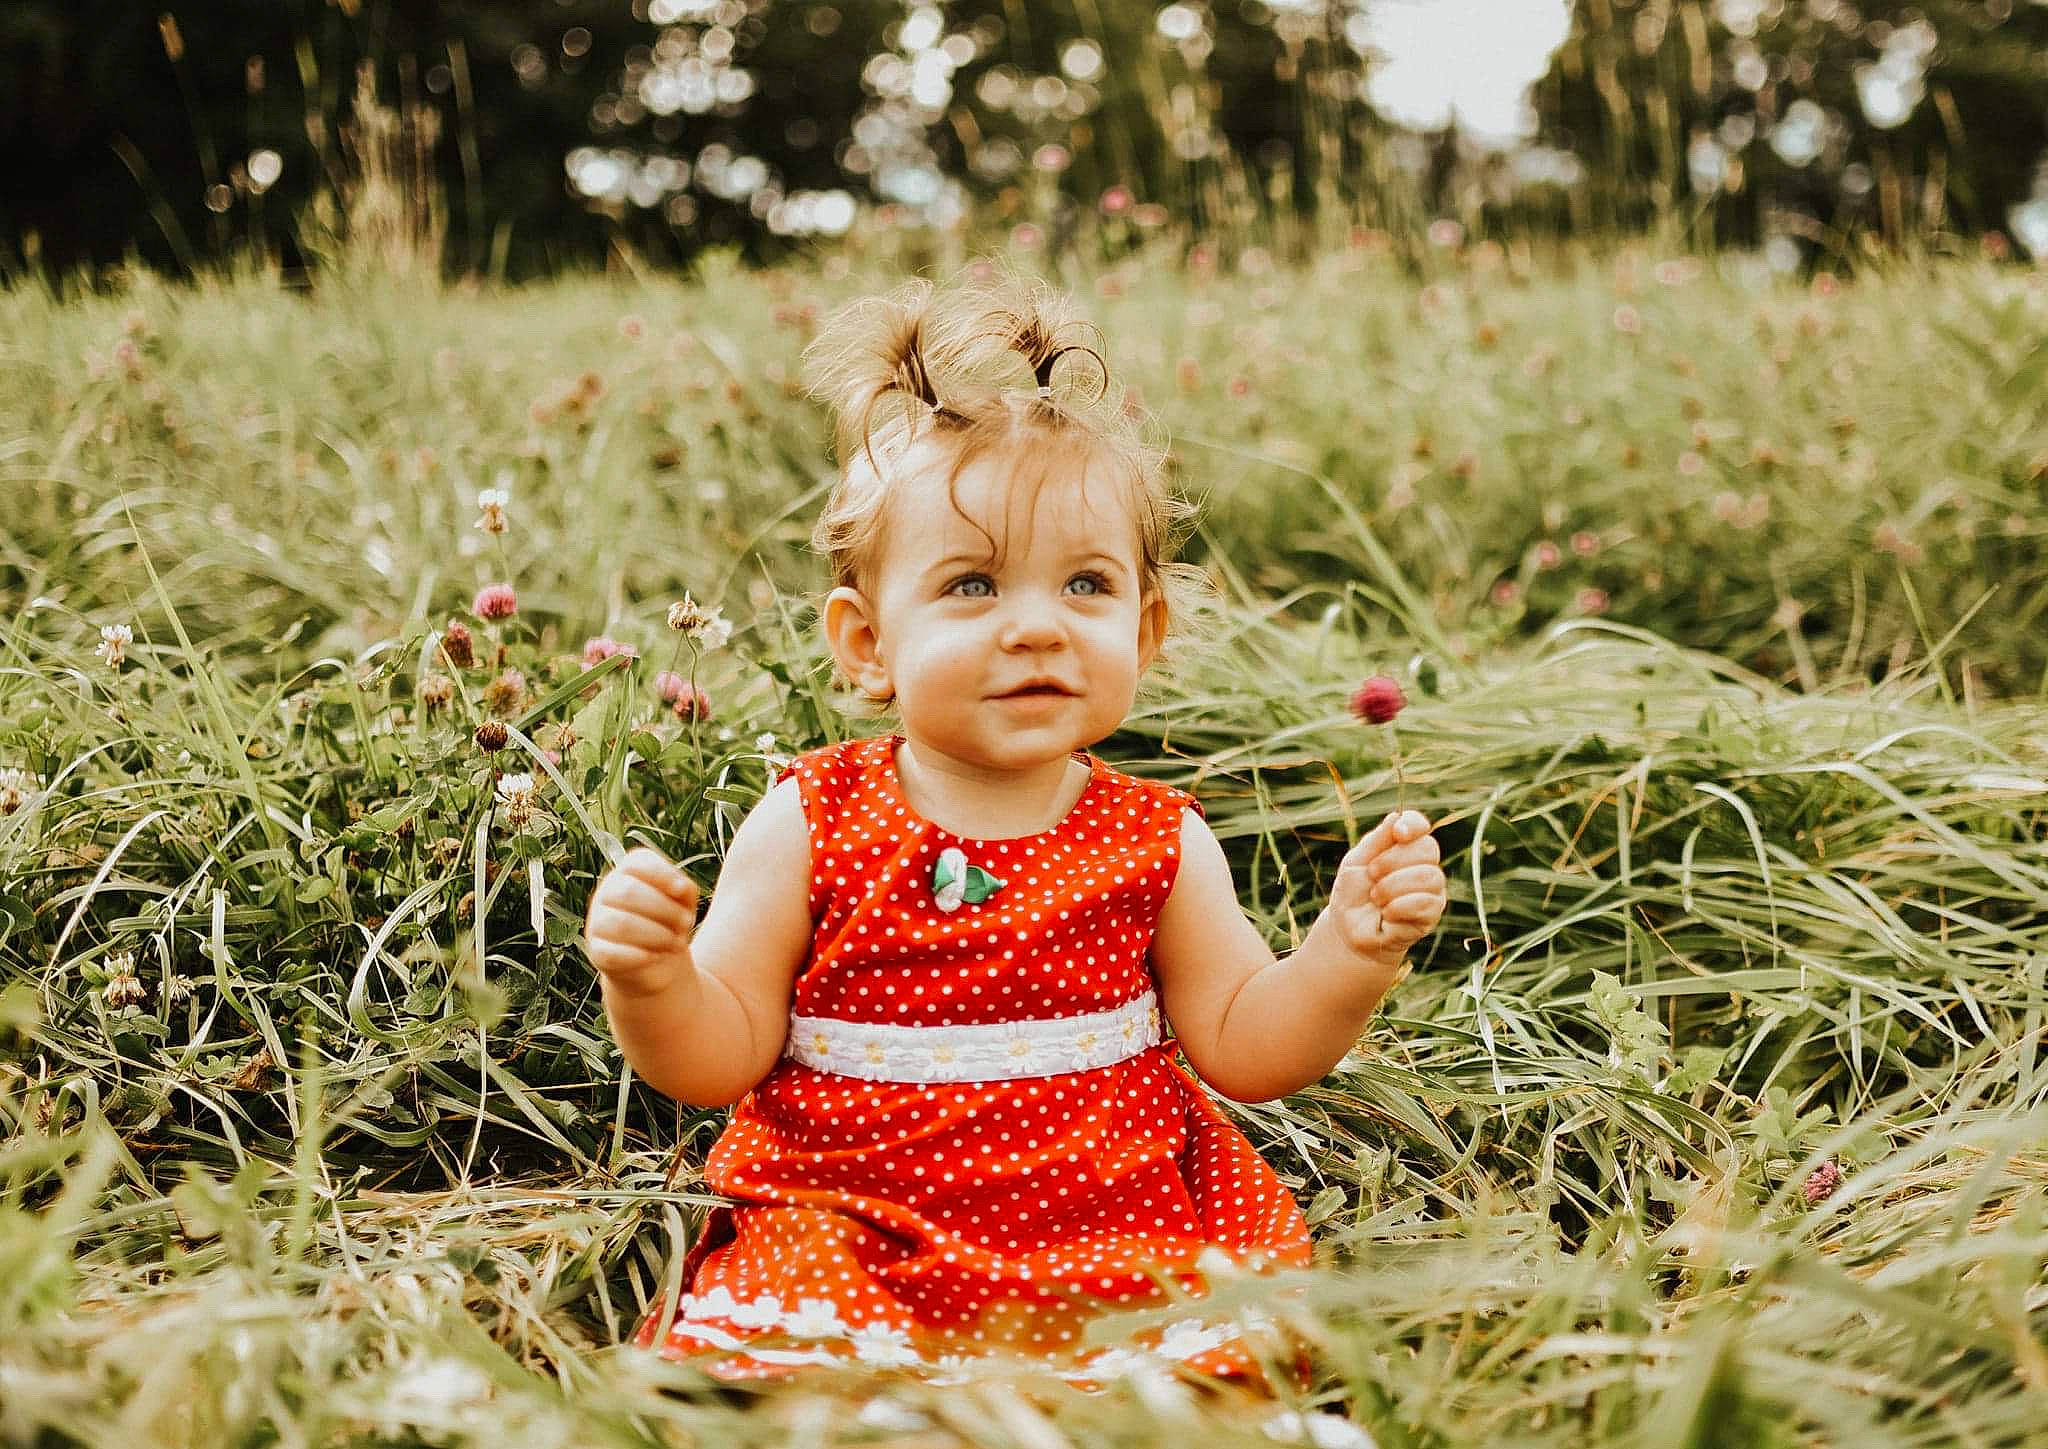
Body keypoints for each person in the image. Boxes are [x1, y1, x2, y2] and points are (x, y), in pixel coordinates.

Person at [582, 268, 1447, 1395]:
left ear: (1142, 630)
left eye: (1083, 585)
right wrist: (651, 979)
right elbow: (720, 1057)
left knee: (1185, 1353)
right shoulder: (811, 815)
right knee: (796, 1335)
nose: (1035, 627)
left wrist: (1348, 949)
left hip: (1104, 1214)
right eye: (972, 585)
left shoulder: (1156, 838)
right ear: (865, 644)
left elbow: (1247, 1046)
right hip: (850, 1213)